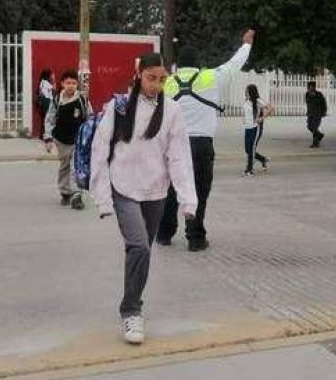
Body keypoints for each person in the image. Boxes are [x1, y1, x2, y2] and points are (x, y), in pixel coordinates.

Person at [90, 53, 198, 345]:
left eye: (162, 79)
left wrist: (188, 199)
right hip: (123, 187)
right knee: (138, 246)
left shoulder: (172, 111)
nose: (157, 84)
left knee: (141, 252)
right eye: (152, 77)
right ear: (139, 74)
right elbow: (100, 150)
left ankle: (132, 298)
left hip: (156, 192)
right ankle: (131, 311)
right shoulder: (119, 106)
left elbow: (179, 156)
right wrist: (102, 197)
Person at [157, 29, 255, 251]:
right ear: (198, 64)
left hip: (174, 146)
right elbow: (234, 64)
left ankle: (164, 233)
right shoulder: (210, 76)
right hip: (201, 145)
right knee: (199, 191)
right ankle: (195, 237)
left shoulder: (168, 83)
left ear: (178, 65)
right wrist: (246, 44)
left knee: (171, 190)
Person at [43, 71, 90, 208]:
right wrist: (48, 139)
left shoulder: (82, 100)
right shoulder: (57, 100)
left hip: (78, 140)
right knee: (65, 166)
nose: (71, 86)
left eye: (74, 83)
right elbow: (49, 119)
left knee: (76, 166)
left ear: (77, 85)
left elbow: (89, 118)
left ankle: (77, 195)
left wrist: (90, 136)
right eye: (68, 83)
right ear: (63, 84)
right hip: (61, 139)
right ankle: (65, 192)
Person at [243, 84, 273, 176]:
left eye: (247, 91)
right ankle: (263, 159)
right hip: (247, 128)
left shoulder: (258, 101)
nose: (245, 92)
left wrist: (261, 118)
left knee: (251, 149)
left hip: (255, 128)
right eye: (245, 91)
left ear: (252, 92)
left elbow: (271, 108)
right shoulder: (246, 101)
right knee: (247, 150)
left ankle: (249, 170)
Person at [305, 81, 328, 148]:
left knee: (315, 128)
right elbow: (308, 104)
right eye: (309, 87)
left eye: (312, 87)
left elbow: (324, 104)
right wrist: (308, 112)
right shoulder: (307, 94)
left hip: (317, 114)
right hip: (310, 114)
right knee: (309, 126)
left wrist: (324, 112)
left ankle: (315, 143)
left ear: (314, 87)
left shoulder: (319, 95)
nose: (310, 88)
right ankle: (320, 135)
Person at [36, 69, 54, 140]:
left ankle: (42, 134)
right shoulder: (46, 83)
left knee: (44, 119)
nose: (52, 76)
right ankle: (46, 135)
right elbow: (53, 88)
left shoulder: (42, 82)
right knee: (48, 119)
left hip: (44, 102)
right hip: (47, 101)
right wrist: (53, 80)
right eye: (51, 74)